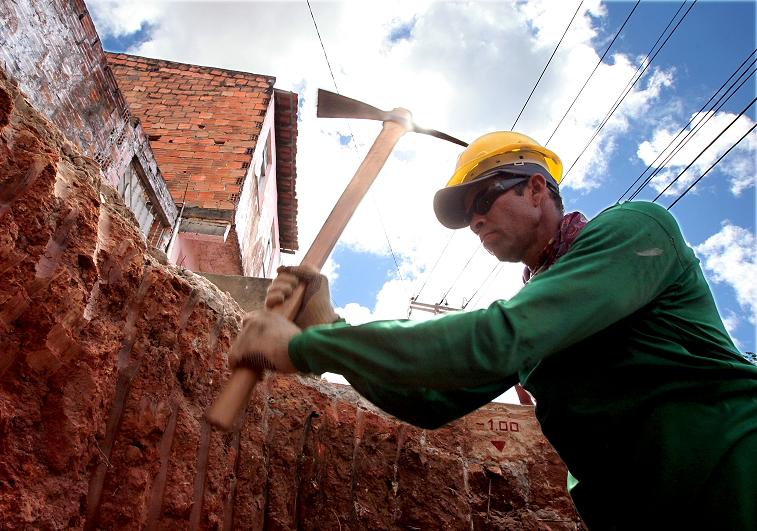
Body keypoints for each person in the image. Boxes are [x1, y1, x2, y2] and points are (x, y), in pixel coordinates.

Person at [231, 132, 757, 529]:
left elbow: (498, 338)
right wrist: (331, 328)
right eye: (468, 217)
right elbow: (430, 401)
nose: (475, 222)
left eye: (483, 200)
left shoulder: (634, 231)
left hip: (735, 481)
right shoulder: (539, 312)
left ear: (536, 188)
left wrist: (309, 347)